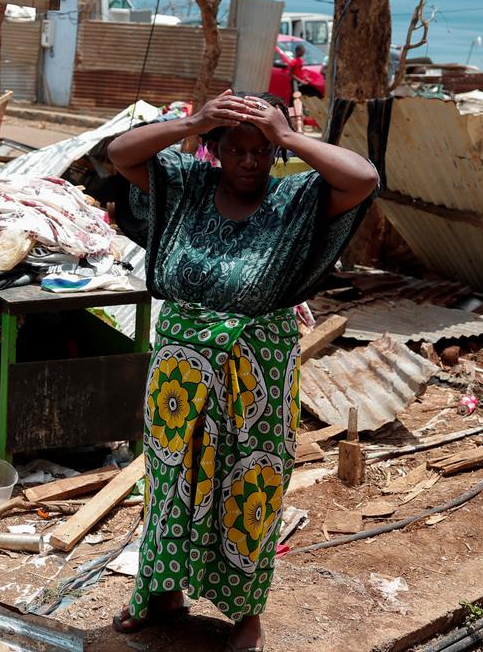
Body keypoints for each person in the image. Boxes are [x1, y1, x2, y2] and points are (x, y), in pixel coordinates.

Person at [105, 90, 378, 652]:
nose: (250, 160)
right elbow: (120, 154)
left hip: (258, 371)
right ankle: (160, 595)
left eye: (261, 150)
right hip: (181, 371)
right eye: (237, 149)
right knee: (171, 482)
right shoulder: (185, 187)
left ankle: (246, 616)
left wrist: (288, 135)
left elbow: (364, 178)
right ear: (216, 150)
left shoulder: (296, 200)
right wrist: (197, 118)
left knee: (250, 486)